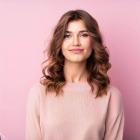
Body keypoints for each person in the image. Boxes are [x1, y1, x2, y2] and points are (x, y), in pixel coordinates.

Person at [26, 9, 125, 140]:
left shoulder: (111, 95)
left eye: (83, 35)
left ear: (93, 41)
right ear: (59, 43)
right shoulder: (39, 92)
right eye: (67, 35)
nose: (76, 42)